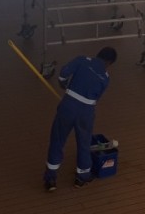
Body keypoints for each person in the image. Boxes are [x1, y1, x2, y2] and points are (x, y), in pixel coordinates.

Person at [43, 46, 117, 192]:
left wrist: (63, 83)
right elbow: (96, 97)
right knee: (84, 143)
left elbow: (63, 73)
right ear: (109, 62)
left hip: (68, 107)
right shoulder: (106, 78)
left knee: (57, 140)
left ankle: (50, 179)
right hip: (86, 113)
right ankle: (82, 177)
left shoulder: (82, 60)